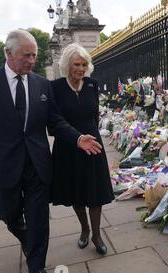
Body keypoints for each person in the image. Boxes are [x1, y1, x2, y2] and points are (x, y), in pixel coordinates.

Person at [0, 30, 102, 273]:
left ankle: (37, 265)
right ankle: (29, 240)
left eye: (34, 55)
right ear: (8, 54)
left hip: (37, 163)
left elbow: (55, 120)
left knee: (39, 217)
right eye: (25, 55)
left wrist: (76, 138)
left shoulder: (41, 84)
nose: (31, 60)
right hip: (4, 164)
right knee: (8, 212)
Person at [51, 44, 114, 256]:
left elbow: (94, 115)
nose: (81, 68)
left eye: (84, 64)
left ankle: (96, 234)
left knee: (95, 192)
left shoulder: (91, 85)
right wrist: (76, 137)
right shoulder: (56, 87)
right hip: (68, 147)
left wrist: (91, 134)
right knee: (76, 193)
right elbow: (54, 121)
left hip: (93, 145)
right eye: (77, 64)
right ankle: (84, 229)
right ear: (67, 64)